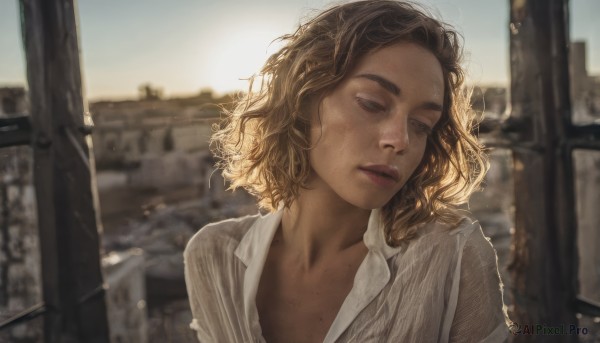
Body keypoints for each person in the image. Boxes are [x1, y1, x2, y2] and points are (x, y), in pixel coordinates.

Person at [184, 0, 511, 342]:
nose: (400, 141)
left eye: (421, 125)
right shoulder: (212, 256)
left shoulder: (451, 258)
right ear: (303, 97)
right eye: (371, 103)